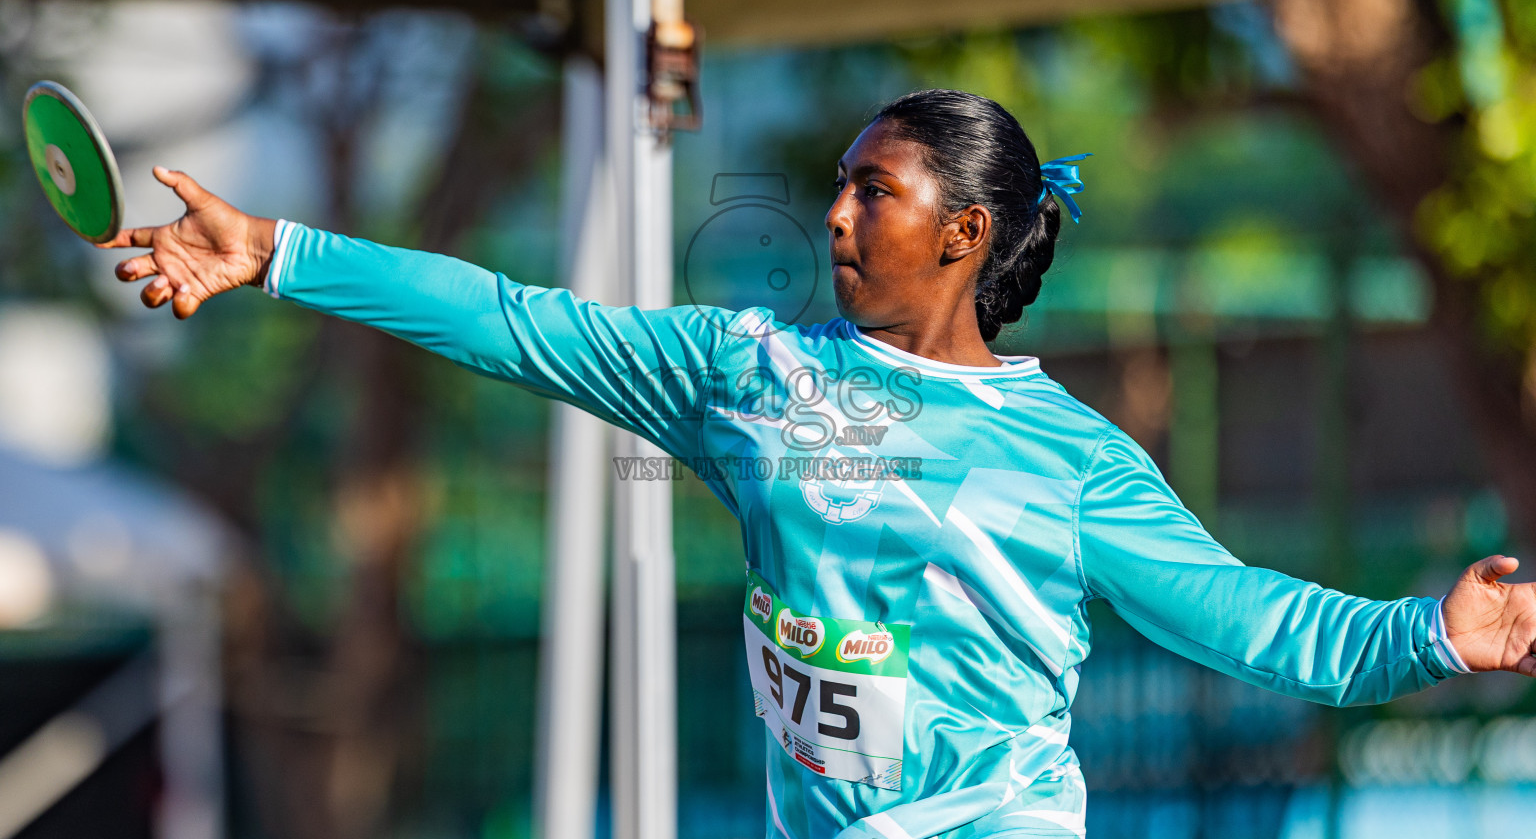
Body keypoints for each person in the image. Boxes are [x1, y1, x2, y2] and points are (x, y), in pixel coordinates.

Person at [104, 89, 1536, 839]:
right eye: (840, 185)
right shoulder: (747, 376)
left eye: (877, 190)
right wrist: (286, 254)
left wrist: (1431, 632)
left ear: (967, 236)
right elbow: (516, 323)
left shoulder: (1068, 457)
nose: (837, 216)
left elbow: (1240, 618)